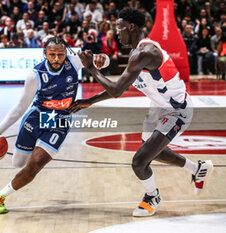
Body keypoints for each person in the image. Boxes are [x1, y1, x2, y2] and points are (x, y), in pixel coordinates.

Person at [70, 8, 214, 217]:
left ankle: (152, 196)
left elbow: (117, 90)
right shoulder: (138, 53)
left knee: (139, 161)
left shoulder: (145, 53)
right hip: (158, 107)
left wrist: (91, 68)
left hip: (177, 110)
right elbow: (120, 86)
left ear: (131, 27)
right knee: (152, 150)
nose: (116, 33)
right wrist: (89, 101)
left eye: (119, 28)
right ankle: (196, 169)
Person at [0, 36, 109, 214]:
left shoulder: (75, 62)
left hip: (60, 119)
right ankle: (27, 165)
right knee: (18, 163)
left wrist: (102, 58)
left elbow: (105, 61)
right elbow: (21, 106)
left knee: (36, 164)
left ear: (66, 53)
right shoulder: (34, 75)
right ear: (45, 54)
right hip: (36, 118)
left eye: (60, 54)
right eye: (52, 55)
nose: (57, 59)